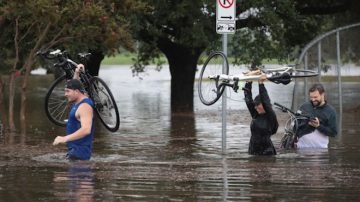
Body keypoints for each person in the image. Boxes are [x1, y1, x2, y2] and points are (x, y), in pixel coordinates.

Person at [53, 64, 95, 160]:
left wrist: (64, 138)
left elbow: (86, 130)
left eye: (67, 91)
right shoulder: (79, 100)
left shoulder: (85, 107)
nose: (65, 94)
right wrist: (77, 73)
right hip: (74, 152)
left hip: (80, 156)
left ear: (76, 92)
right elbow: (76, 85)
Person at [243, 74, 279, 155]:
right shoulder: (255, 114)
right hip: (253, 150)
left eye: (257, 105)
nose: (255, 107)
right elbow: (248, 100)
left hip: (267, 152)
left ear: (263, 105)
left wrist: (261, 84)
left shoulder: (271, 116)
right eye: (255, 105)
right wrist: (248, 83)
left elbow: (266, 100)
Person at [295, 83, 337, 149]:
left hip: (320, 150)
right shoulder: (304, 106)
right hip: (300, 149)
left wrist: (318, 126)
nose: (313, 100)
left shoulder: (331, 111)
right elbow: (296, 125)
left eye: (315, 97)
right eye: (311, 97)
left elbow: (333, 133)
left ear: (322, 94)